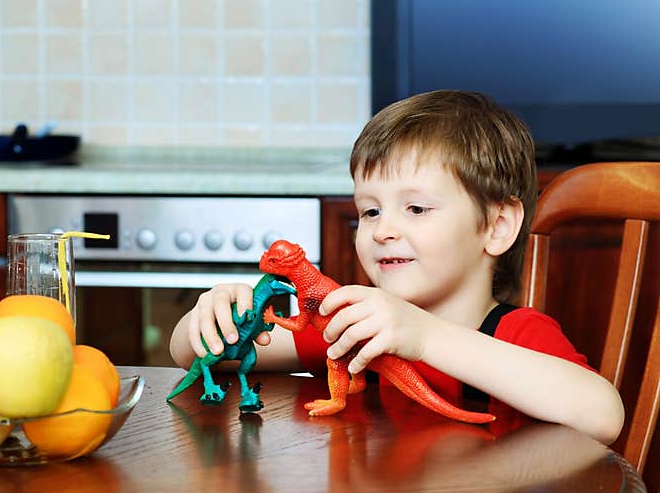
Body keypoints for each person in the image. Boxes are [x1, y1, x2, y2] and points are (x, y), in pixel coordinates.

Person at [169, 90, 624, 444]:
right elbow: (189, 355)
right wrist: (213, 314)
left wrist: (423, 337)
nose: (383, 230)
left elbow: (603, 416)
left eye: (417, 209)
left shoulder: (517, 334)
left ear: (496, 226)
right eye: (370, 211)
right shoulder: (353, 325)